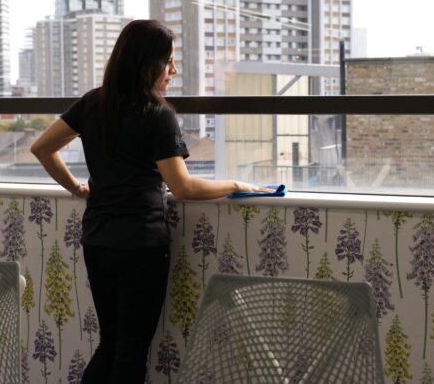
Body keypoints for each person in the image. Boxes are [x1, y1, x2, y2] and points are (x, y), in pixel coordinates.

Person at [30, 19, 269, 383]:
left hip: (97, 241)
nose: (173, 70)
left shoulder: (95, 103)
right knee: (130, 351)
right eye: (168, 61)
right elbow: (183, 187)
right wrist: (236, 182)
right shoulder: (158, 115)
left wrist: (77, 187)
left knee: (109, 344)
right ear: (147, 64)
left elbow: (41, 148)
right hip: (141, 247)